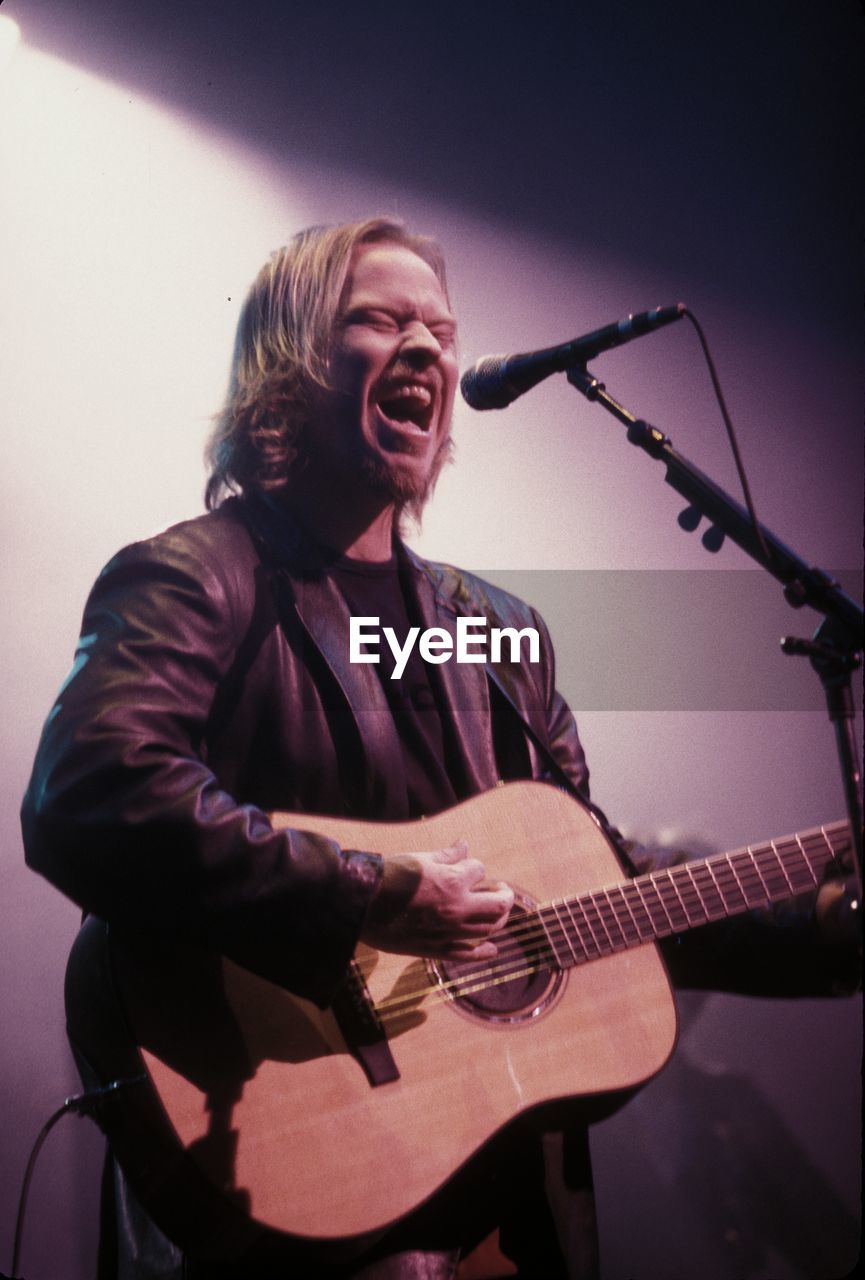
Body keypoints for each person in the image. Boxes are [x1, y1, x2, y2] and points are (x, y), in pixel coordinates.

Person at [21, 218, 858, 1280]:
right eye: (380, 318)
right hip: (289, 1195)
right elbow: (91, 791)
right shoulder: (198, 576)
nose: (426, 348)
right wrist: (371, 893)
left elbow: (601, 901)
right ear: (289, 361)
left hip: (507, 1220)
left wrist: (824, 921)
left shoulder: (497, 633)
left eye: (441, 328)